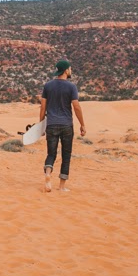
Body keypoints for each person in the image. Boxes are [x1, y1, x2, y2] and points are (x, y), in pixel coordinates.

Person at [39, 59, 86, 192]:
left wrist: (41, 125)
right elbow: (76, 106)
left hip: (51, 124)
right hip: (66, 125)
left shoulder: (48, 86)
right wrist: (82, 124)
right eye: (70, 68)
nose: (71, 70)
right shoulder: (71, 87)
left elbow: (43, 107)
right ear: (66, 70)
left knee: (51, 153)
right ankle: (61, 186)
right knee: (66, 155)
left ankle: (48, 173)